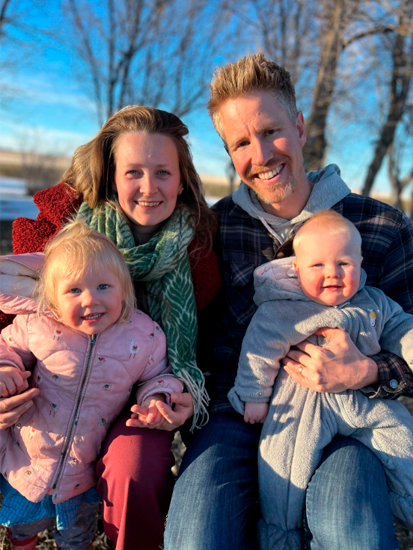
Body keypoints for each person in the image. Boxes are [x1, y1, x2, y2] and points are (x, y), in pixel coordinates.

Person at [164, 53, 413, 550]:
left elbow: (408, 342)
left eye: (271, 130)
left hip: (346, 415)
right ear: (229, 154)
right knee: (195, 537)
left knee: (350, 529)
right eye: (240, 142)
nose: (261, 154)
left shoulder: (381, 227)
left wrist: (365, 372)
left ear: (299, 127)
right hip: (237, 416)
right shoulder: (213, 230)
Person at [0, 106, 221, 550]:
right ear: (111, 176)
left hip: (139, 391)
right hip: (51, 399)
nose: (149, 187)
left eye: (163, 172)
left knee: (133, 465)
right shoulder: (63, 237)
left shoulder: (197, 251)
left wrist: (177, 396)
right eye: (133, 171)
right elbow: (11, 325)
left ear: (182, 180)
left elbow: (206, 347)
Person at [228, 210, 413, 549]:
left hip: (363, 401)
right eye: (318, 266)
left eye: (344, 263)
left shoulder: (374, 302)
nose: (333, 273)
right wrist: (254, 395)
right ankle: (281, 535)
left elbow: (402, 328)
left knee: (403, 438)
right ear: (297, 270)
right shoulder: (282, 308)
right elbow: (258, 349)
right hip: (301, 407)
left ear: (360, 263)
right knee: (283, 471)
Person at [0, 220, 185, 550]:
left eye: (104, 287)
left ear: (123, 288)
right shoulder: (37, 326)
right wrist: (4, 368)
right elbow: (7, 347)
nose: (90, 300)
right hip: (27, 461)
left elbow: (158, 374)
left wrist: (158, 397)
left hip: (81, 470)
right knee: (25, 526)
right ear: (53, 296)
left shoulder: (142, 336)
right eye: (74, 290)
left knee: (75, 536)